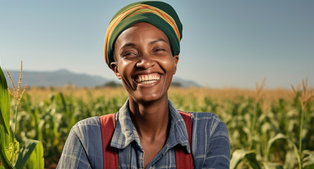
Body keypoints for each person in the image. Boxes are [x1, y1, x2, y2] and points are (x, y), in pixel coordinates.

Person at [57, 1, 230, 168]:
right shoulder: (87, 137)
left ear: (174, 62)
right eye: (130, 53)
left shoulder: (208, 131)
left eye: (158, 50)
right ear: (116, 69)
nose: (145, 63)